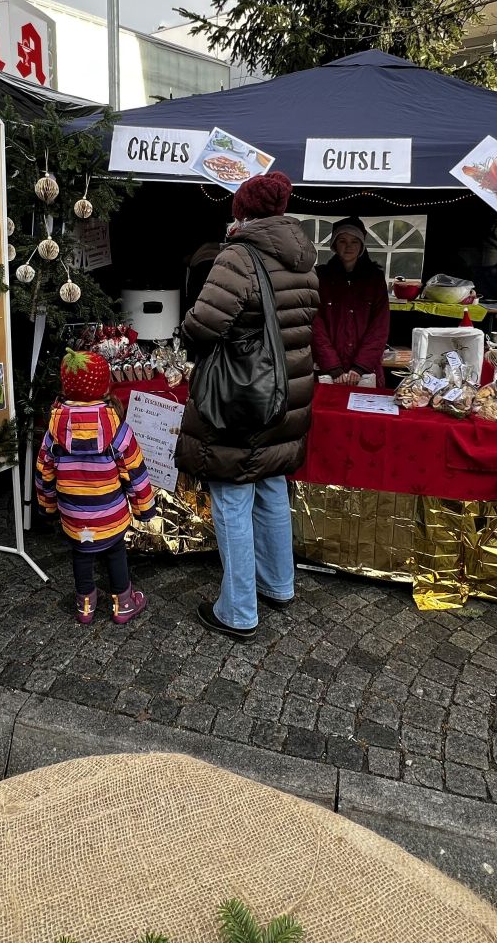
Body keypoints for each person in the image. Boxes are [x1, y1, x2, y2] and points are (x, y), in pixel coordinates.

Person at [177, 171, 319, 641]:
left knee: (233, 496)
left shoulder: (237, 254)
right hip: (288, 391)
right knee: (273, 485)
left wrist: (188, 332)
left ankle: (238, 610)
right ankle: (278, 584)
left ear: (243, 211)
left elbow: (205, 323)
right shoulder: (303, 256)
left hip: (242, 394)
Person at [36, 350, 157, 623]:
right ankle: (123, 604)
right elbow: (135, 471)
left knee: (80, 555)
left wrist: (47, 506)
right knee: (116, 553)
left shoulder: (54, 431)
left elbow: (44, 473)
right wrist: (145, 508)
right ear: (105, 386)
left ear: (66, 386)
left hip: (73, 516)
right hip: (111, 514)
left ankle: (85, 606)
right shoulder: (118, 430)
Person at [312, 216, 391, 387]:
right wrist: (332, 365)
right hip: (328, 370)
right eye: (342, 241)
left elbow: (379, 327)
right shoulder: (321, 277)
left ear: (362, 245)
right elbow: (315, 325)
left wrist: (360, 366)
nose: (348, 246)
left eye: (354, 241)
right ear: (334, 245)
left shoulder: (374, 279)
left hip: (366, 371)